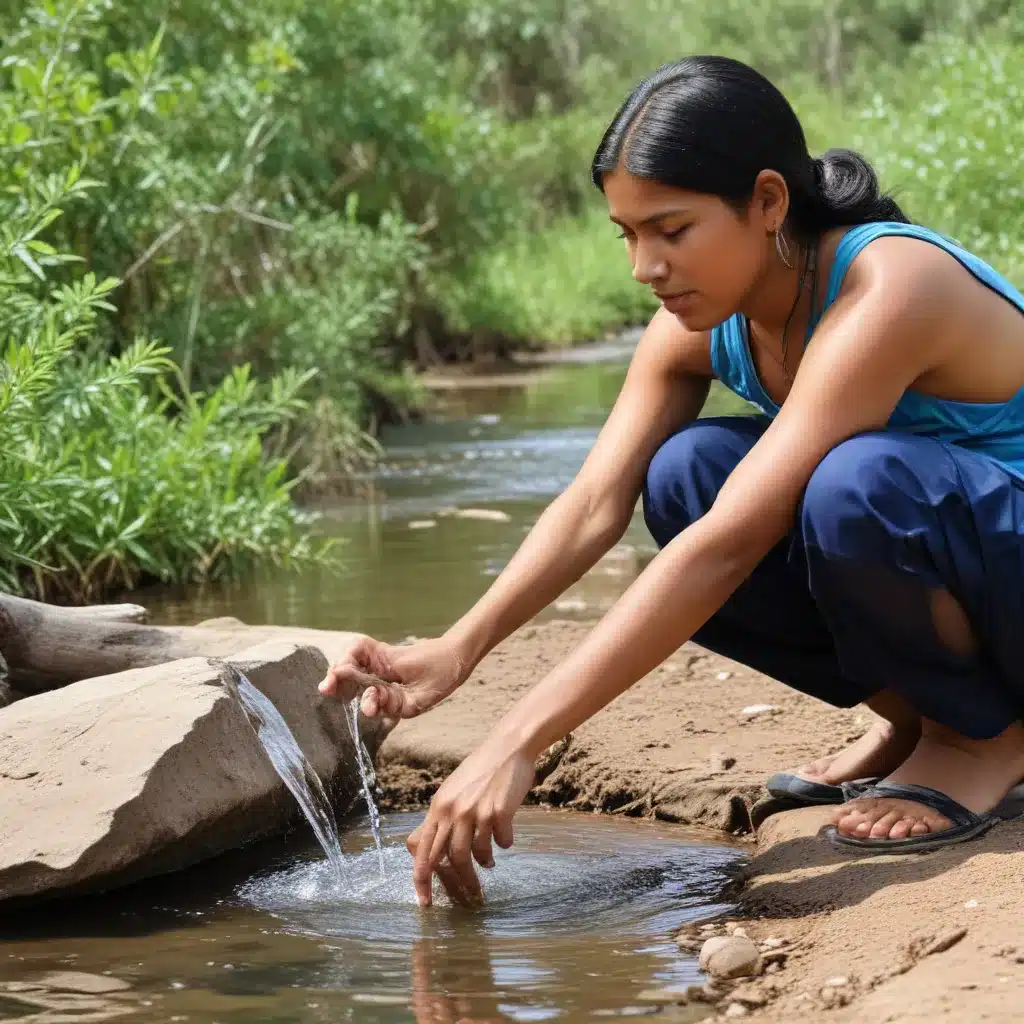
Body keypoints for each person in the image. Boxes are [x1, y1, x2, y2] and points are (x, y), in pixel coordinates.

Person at [320, 54, 1024, 905]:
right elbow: (593, 505)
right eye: (627, 233)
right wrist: (455, 649)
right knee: (684, 476)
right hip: (982, 577)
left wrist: (517, 740)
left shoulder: (889, 286)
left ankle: (985, 739)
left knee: (854, 485)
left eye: (671, 229)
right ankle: (925, 720)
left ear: (768, 202)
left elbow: (732, 546)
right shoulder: (705, 323)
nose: (643, 266)